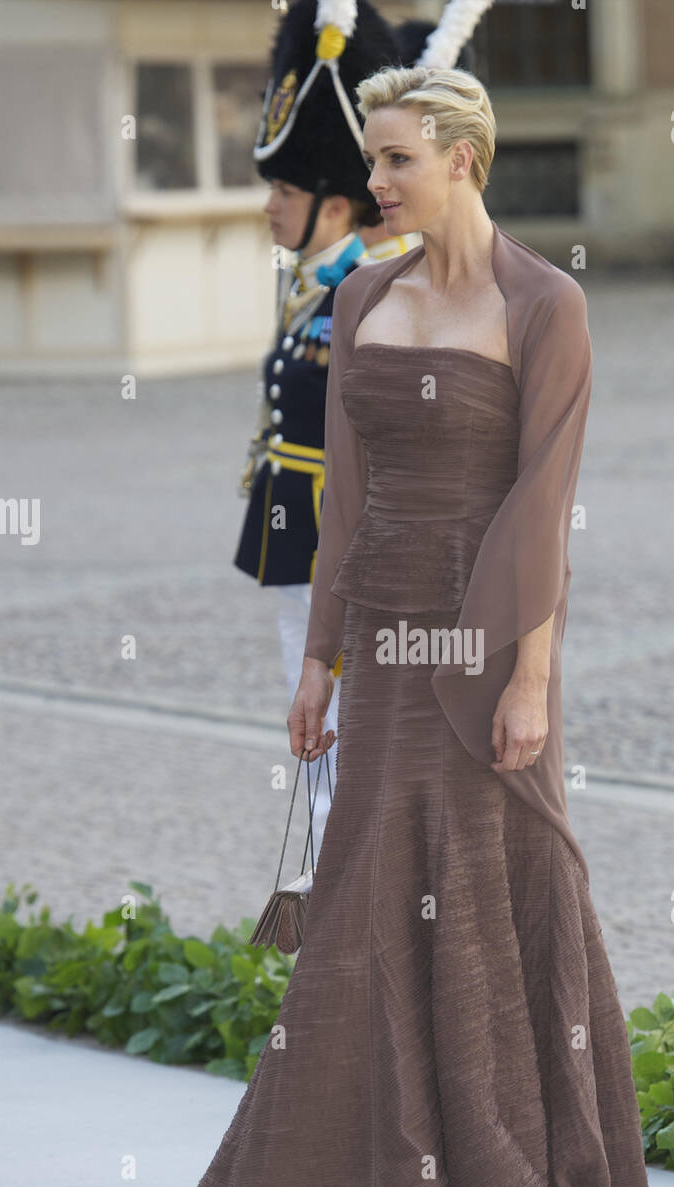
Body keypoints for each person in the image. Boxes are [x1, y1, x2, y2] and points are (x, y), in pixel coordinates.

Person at [178, 59, 653, 1187]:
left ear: (461, 160)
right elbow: (343, 501)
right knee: (362, 894)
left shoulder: (546, 305)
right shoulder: (361, 303)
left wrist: (530, 681)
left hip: (490, 644)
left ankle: (516, 1178)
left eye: (392, 159)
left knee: (501, 883)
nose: (372, 181)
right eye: (371, 160)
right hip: (383, 643)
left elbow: (543, 505)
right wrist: (319, 664)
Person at [233, 0, 422, 836]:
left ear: (336, 207)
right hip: (292, 527)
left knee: (341, 725)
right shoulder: (315, 287)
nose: (271, 205)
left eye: (286, 189)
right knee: (310, 716)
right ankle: (328, 871)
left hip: (333, 536)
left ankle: (343, 880)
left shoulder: (364, 293)